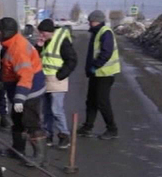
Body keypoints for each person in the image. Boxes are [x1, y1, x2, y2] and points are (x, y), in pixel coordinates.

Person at [0, 17, 47, 166]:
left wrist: (19, 98)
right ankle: (18, 150)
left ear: (6, 32)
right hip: (20, 90)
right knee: (17, 120)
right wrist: (4, 81)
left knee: (31, 122)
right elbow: (8, 67)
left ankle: (40, 156)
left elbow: (25, 75)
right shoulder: (9, 44)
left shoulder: (18, 48)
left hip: (29, 92)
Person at [77, 10, 121, 140]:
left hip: (104, 74)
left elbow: (106, 53)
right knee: (91, 101)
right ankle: (87, 127)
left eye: (92, 21)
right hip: (96, 74)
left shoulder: (105, 32)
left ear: (98, 21)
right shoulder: (97, 32)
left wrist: (95, 65)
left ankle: (112, 129)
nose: (90, 23)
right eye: (90, 21)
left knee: (102, 102)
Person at [35, 19, 78, 148]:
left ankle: (64, 135)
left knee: (56, 110)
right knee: (46, 110)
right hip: (45, 79)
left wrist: (61, 75)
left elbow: (72, 60)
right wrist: (38, 45)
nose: (41, 35)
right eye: (40, 33)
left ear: (50, 32)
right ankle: (48, 134)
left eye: (43, 33)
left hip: (57, 81)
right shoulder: (44, 42)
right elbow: (36, 57)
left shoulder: (62, 41)